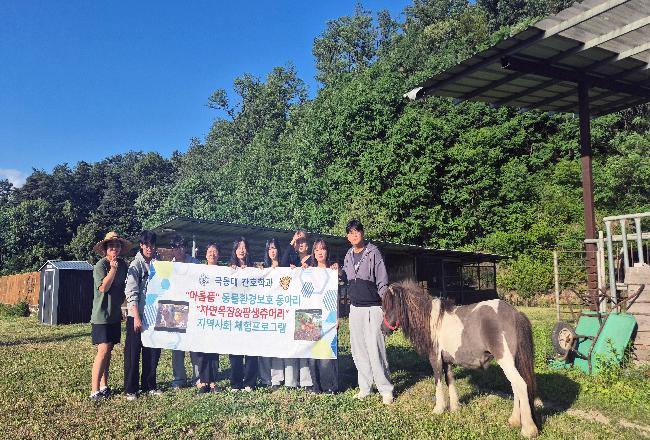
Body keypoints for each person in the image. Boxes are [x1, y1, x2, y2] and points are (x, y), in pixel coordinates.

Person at [342, 219, 394, 404]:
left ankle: (386, 390)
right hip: (355, 308)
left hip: (373, 307)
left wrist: (387, 306)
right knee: (359, 350)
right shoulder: (348, 255)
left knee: (375, 349)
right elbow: (345, 276)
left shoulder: (373, 252)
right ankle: (365, 387)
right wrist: (336, 271)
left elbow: (382, 281)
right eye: (351, 232)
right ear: (348, 237)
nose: (354, 235)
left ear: (362, 233)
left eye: (357, 231)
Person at [89, 231, 132, 401]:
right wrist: (113, 270)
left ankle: (104, 386)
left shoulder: (124, 265)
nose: (115, 248)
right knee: (103, 350)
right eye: (111, 245)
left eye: (117, 245)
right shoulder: (100, 266)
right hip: (101, 315)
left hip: (114, 315)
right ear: (105, 249)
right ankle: (94, 391)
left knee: (109, 351)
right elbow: (103, 288)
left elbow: (125, 288)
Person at [123, 230, 162, 400]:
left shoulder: (158, 264)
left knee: (152, 352)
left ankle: (149, 385)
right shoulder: (135, 264)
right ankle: (130, 389)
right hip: (136, 315)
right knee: (133, 353)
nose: (149, 247)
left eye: (152, 244)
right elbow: (131, 292)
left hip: (153, 315)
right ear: (141, 245)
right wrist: (136, 317)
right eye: (146, 244)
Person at [169, 234, 200, 389]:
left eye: (182, 247)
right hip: (176, 309)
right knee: (177, 346)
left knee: (194, 345)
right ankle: (179, 379)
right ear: (172, 249)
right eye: (176, 247)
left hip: (193, 309)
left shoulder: (195, 263)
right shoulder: (169, 267)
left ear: (186, 248)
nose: (179, 250)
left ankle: (198, 377)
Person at [228, 237, 259, 391]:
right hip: (235, 316)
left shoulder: (255, 269)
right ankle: (236, 382)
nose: (241, 250)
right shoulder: (228, 269)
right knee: (235, 351)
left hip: (251, 316)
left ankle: (250, 382)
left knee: (252, 349)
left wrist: (255, 272)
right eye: (238, 247)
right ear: (234, 250)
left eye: (244, 247)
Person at [309, 239, 339, 394]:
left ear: (327, 251)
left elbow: (336, 297)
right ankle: (316, 387)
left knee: (327, 353)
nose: (320, 252)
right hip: (309, 316)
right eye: (317, 250)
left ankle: (330, 387)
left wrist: (337, 316)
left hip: (329, 315)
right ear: (313, 253)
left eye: (323, 249)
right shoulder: (308, 271)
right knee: (312, 354)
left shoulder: (333, 270)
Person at [195, 242, 221, 394]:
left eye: (215, 251)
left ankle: (213, 382)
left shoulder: (224, 272)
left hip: (217, 316)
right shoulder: (199, 271)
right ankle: (204, 381)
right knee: (202, 350)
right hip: (202, 315)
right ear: (205, 255)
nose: (212, 254)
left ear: (218, 255)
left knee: (214, 350)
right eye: (210, 251)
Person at [258, 238, 283, 388]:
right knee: (264, 346)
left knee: (277, 345)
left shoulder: (286, 267)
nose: (272, 251)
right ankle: (265, 378)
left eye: (274, 248)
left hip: (280, 312)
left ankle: (277, 378)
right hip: (265, 313)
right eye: (269, 248)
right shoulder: (262, 268)